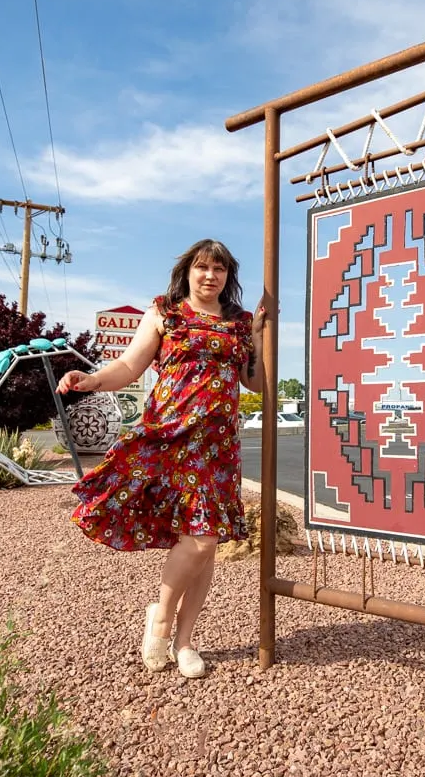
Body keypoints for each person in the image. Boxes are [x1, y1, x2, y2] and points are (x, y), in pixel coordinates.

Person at [56, 239, 268, 679]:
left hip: (218, 447)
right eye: (203, 267)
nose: (211, 276)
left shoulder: (238, 322)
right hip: (171, 437)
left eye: (220, 269)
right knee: (202, 541)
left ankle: (186, 641)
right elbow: (131, 366)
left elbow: (256, 385)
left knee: (206, 547)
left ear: (229, 277)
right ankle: (161, 619)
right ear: (188, 271)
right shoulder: (165, 313)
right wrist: (92, 379)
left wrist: (260, 338)